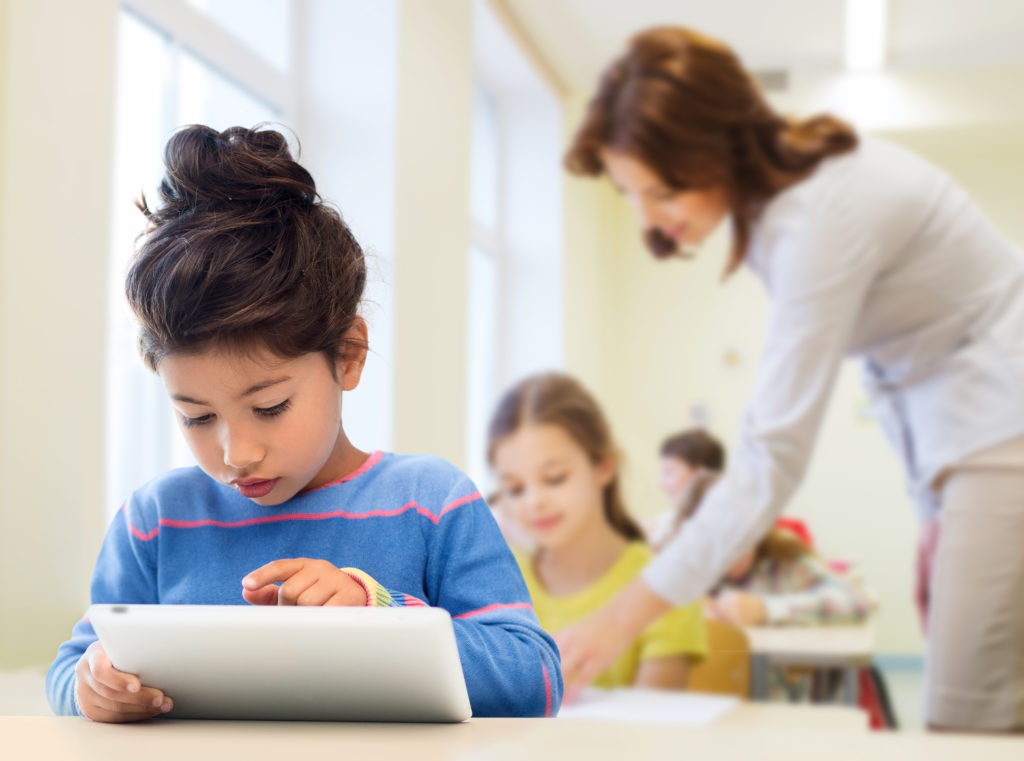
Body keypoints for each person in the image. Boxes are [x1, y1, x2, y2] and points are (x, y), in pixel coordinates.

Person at [556, 26, 1024, 732]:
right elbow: (906, 364)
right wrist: (935, 511)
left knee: (968, 717)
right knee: (974, 702)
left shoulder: (819, 218)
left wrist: (619, 620)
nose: (650, 217)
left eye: (663, 190)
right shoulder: (784, 213)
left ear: (719, 148)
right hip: (974, 432)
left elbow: (772, 454)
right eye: (631, 194)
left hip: (1003, 420)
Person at [45, 125, 562, 722]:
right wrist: (91, 690)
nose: (237, 452)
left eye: (269, 408)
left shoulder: (429, 502)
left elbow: (535, 680)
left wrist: (380, 614)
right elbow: (75, 667)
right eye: (197, 416)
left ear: (348, 355)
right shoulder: (156, 520)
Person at [487, 372, 706, 690]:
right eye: (515, 488)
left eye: (555, 478)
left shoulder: (664, 587)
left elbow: (655, 732)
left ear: (604, 466)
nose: (534, 501)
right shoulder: (497, 585)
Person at [646, 428, 726, 547]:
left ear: (699, 475)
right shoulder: (660, 526)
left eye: (669, 472)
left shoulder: (723, 528)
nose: (662, 485)